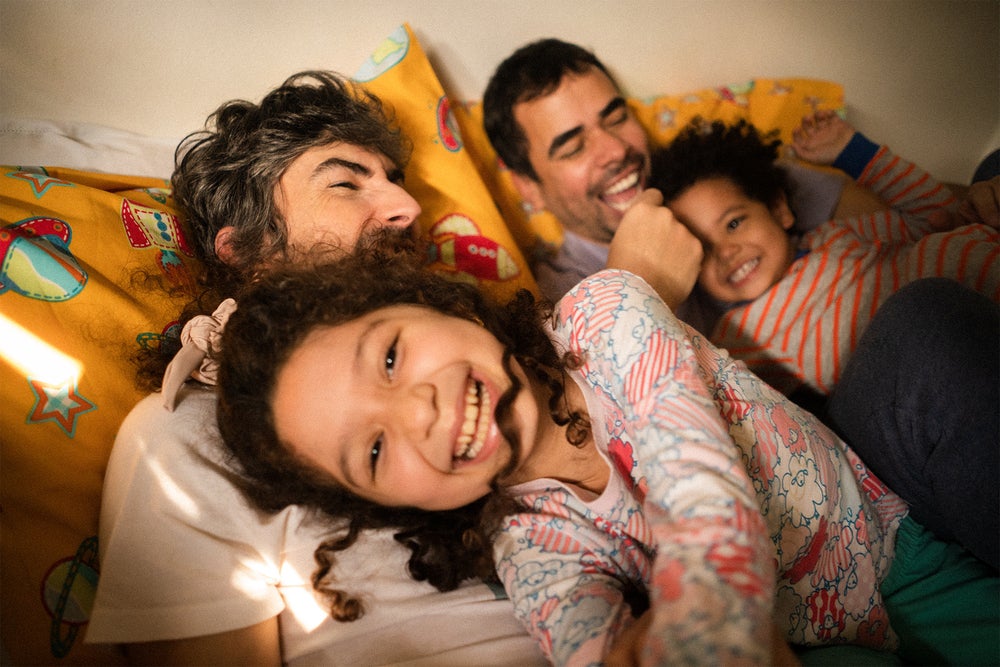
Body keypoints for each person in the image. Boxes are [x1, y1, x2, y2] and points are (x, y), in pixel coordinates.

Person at [211, 241, 1000, 666]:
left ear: (430, 301)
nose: (416, 411)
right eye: (375, 450)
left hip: (902, 550)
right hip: (809, 645)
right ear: (396, 504)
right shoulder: (525, 541)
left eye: (389, 358)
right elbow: (582, 633)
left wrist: (708, 608)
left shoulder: (602, 314)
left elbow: (693, 464)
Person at [86, 71, 546, 666]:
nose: (407, 208)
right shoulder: (185, 437)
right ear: (246, 248)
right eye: (346, 184)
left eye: (395, 182)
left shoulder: (487, 354)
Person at [649, 112, 1000, 569]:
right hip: (925, 349)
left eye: (734, 223)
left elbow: (938, 215)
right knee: (935, 304)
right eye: (702, 249)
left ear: (778, 208)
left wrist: (855, 152)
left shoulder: (838, 236)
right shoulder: (736, 336)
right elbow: (693, 383)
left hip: (977, 271)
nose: (726, 251)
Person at [481, 38, 880, 308]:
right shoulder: (564, 304)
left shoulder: (718, 179)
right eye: (573, 147)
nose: (616, 150)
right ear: (528, 187)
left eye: (617, 118)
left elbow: (902, 226)